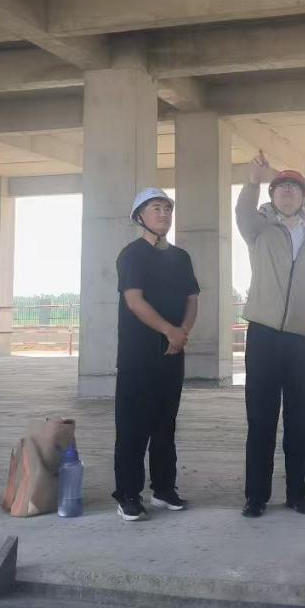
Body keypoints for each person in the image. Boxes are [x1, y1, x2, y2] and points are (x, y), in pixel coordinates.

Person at [236, 152, 305, 518]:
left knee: (299, 420)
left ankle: (297, 493)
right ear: (272, 195)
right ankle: (256, 496)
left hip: (301, 341)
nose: (287, 193)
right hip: (264, 336)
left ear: (304, 198)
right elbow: (242, 213)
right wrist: (252, 180)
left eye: (294, 189)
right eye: (280, 188)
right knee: (261, 419)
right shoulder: (259, 229)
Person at [112, 188, 200, 522]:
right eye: (155, 208)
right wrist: (169, 330)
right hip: (138, 355)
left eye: (167, 208)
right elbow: (134, 301)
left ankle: (163, 489)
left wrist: (182, 333)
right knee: (133, 427)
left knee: (165, 425)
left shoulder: (181, 257)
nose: (164, 214)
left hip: (172, 352)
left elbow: (192, 299)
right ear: (140, 216)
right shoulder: (132, 255)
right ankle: (128, 494)